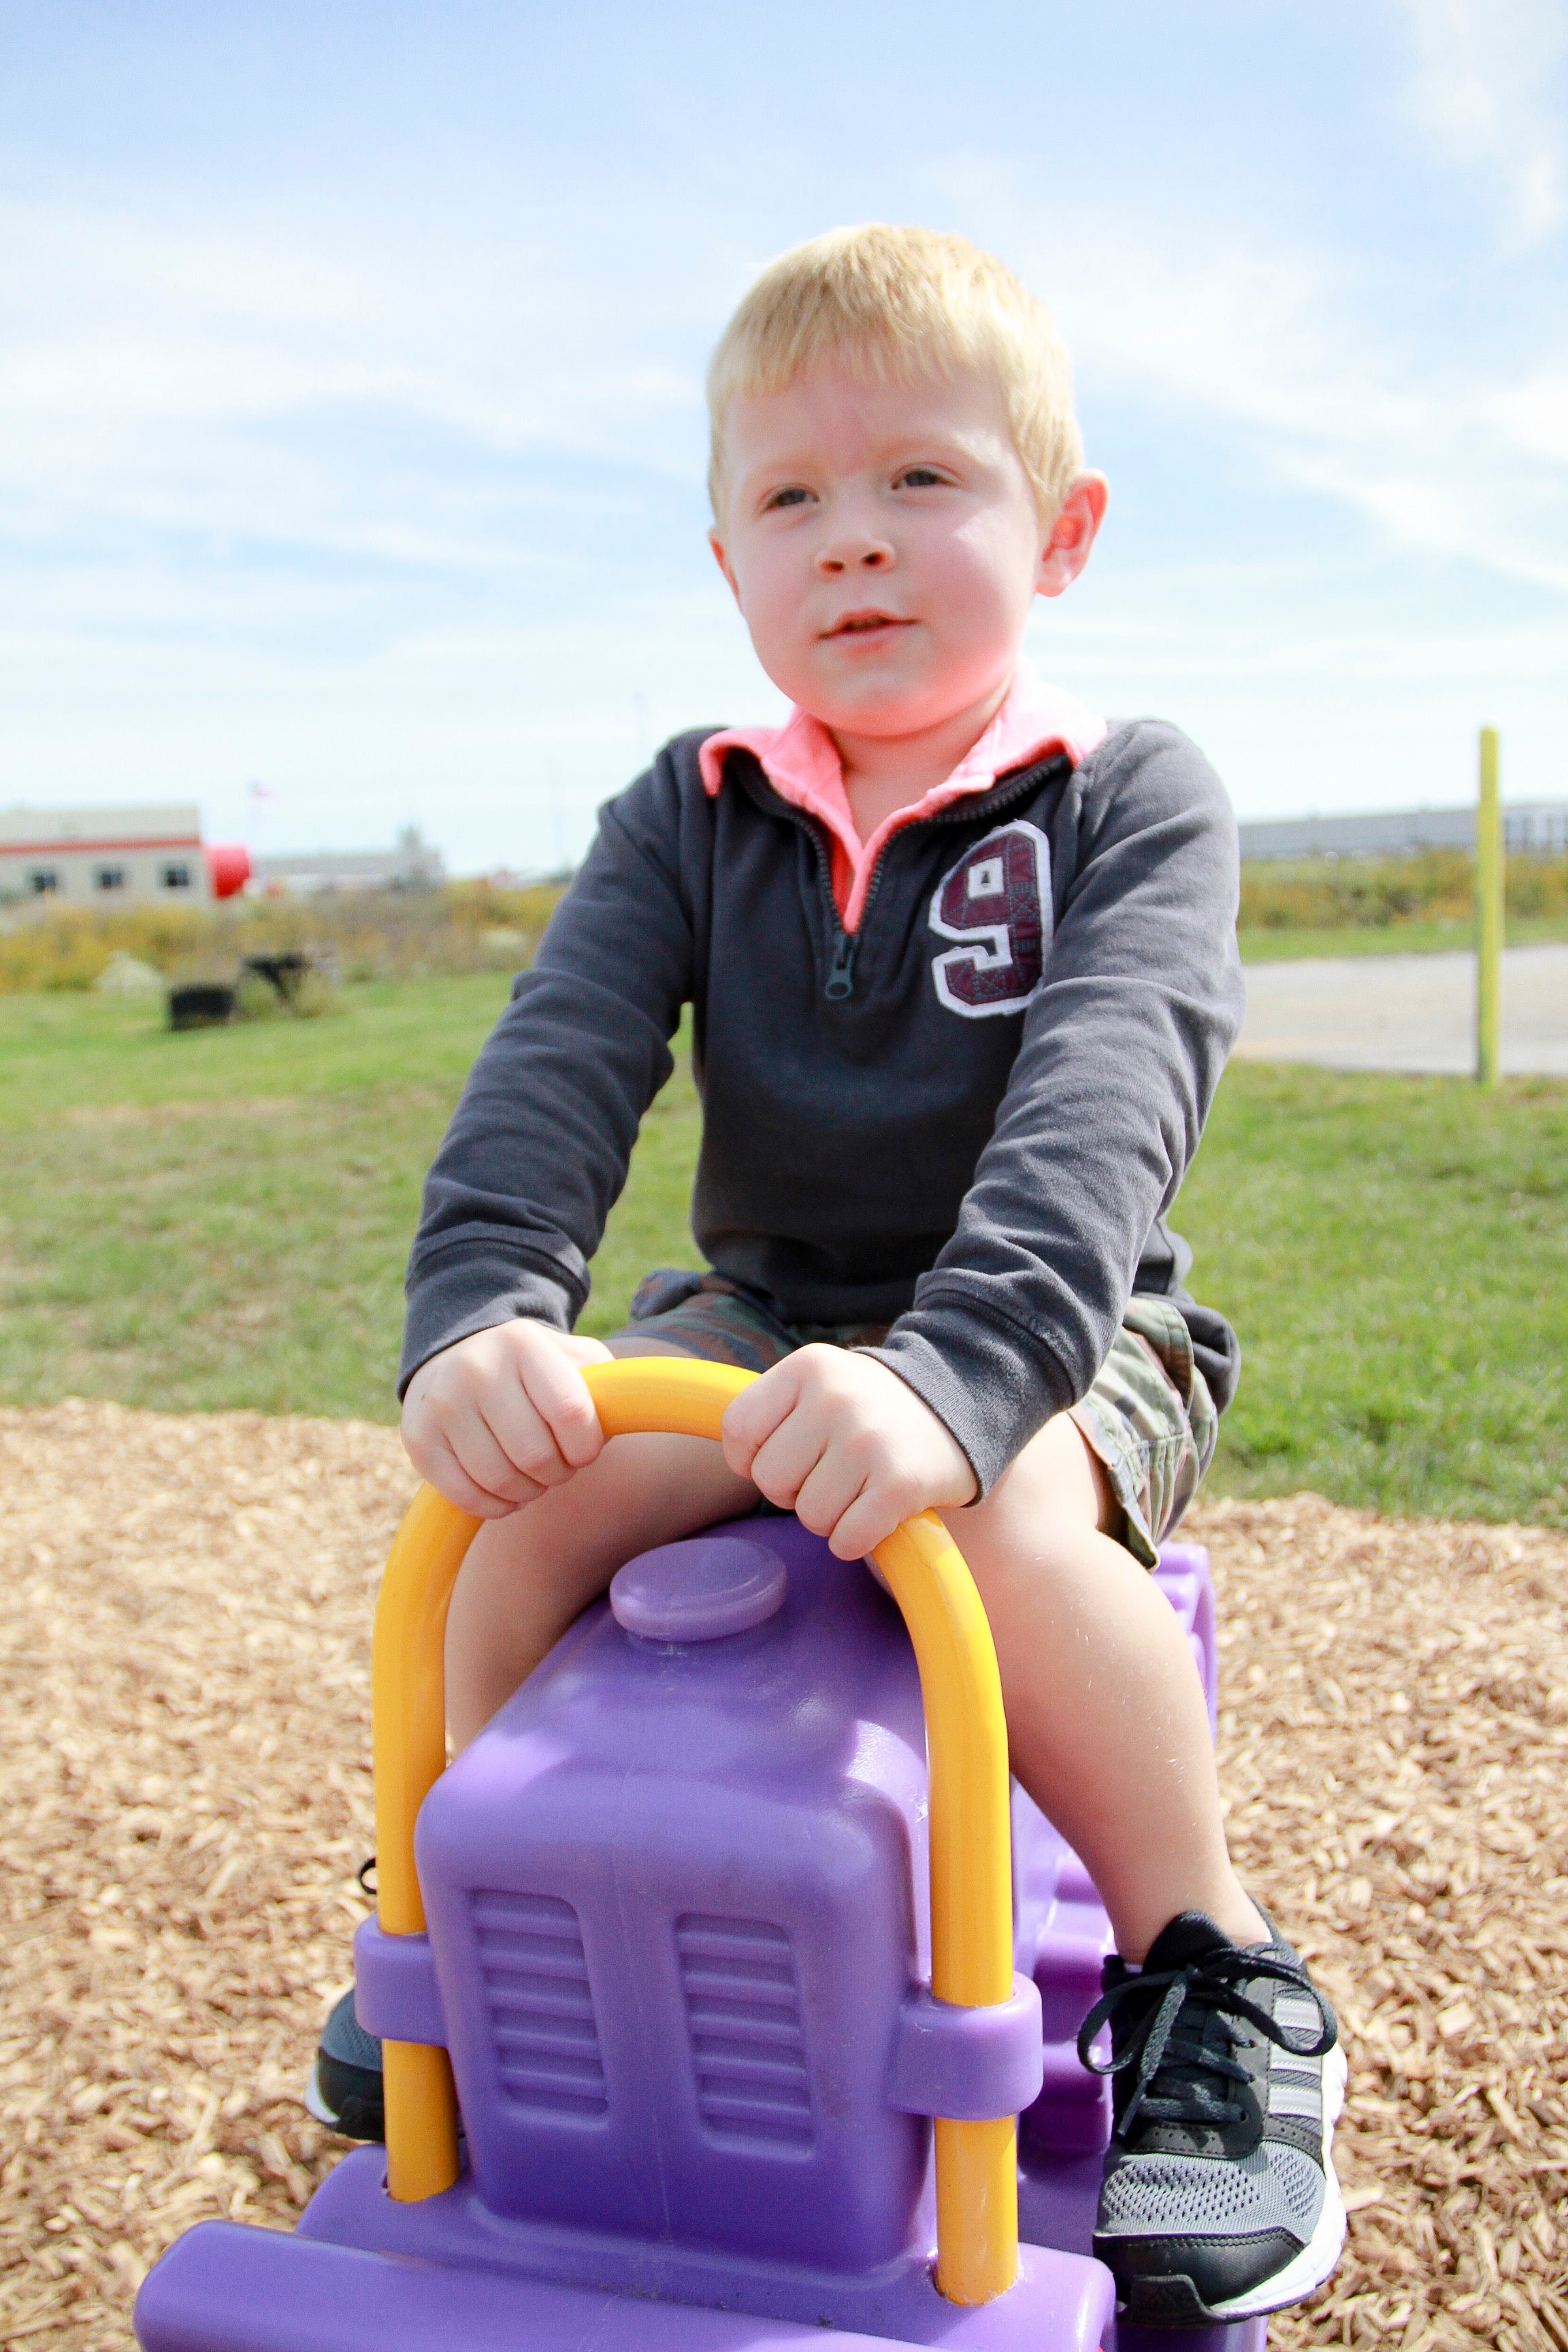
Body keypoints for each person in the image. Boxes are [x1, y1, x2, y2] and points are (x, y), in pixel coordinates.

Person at [308, 225, 1343, 2329]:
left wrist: (963, 1383)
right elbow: (557, 1071)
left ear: (1061, 532)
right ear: (727, 563)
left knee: (1019, 1535)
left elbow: (1106, 1111)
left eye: (920, 483)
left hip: (1062, 1323)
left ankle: (1213, 1986)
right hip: (771, 1314)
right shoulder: (690, 812)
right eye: (791, 499)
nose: (851, 545)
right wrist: (488, 1309)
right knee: (506, 1519)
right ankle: (467, 1920)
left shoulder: (1129, 796)